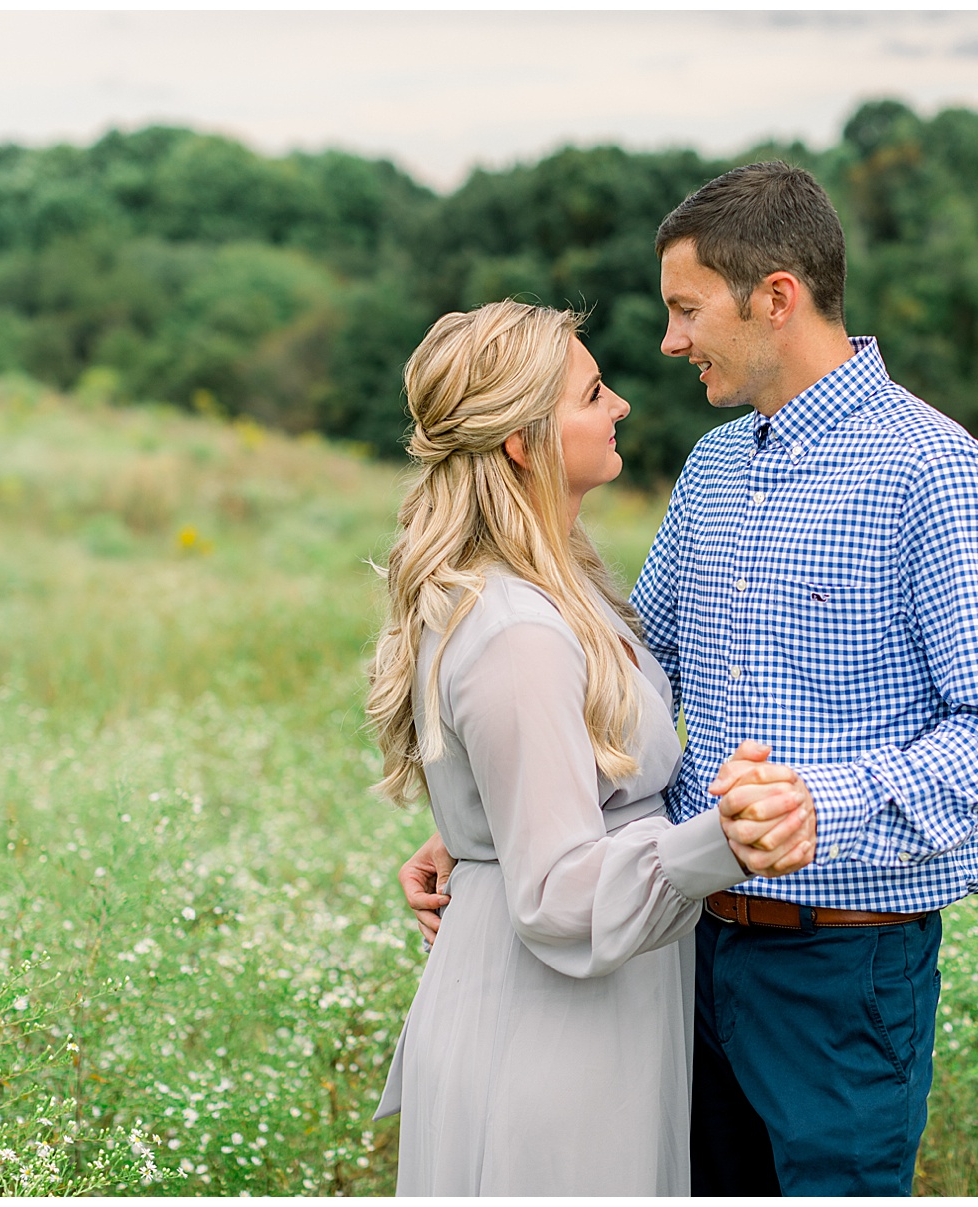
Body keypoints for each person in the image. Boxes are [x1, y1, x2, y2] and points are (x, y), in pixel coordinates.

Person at [402, 163, 978, 1195]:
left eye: (686, 308)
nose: (669, 341)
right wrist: (496, 814)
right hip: (686, 953)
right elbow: (618, 669)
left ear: (777, 298)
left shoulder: (936, 473)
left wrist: (813, 804)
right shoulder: (714, 468)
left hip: (840, 973)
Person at [366, 299, 817, 1196]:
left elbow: (542, 793)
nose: (619, 407)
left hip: (586, 1013)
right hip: (552, 1038)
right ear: (524, 444)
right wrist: (722, 841)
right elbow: (555, 897)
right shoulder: (520, 629)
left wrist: (471, 831)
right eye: (592, 393)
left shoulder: (551, 588)